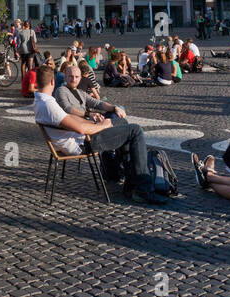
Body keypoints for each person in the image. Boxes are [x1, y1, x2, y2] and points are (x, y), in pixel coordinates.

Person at [32, 65, 164, 204]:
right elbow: (80, 128)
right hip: (82, 143)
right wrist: (103, 125)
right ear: (53, 81)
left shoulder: (40, 101)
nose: (74, 79)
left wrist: (97, 122)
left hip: (78, 138)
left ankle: (128, 180)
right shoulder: (49, 104)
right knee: (135, 130)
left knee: (121, 123)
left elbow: (71, 119)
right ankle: (142, 188)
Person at [56, 64, 127, 122]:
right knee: (123, 122)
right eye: (71, 76)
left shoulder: (80, 92)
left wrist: (115, 108)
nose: (74, 80)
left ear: (80, 78)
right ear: (65, 78)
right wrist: (89, 114)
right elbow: (67, 108)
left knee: (120, 108)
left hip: (89, 118)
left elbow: (97, 103)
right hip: (81, 122)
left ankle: (112, 126)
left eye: (76, 77)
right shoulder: (61, 90)